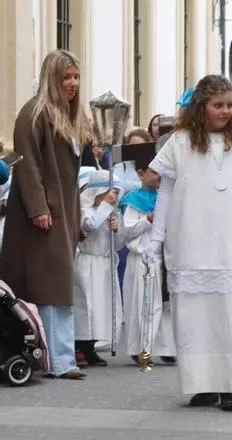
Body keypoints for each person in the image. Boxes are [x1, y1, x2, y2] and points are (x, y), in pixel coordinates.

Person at [143, 74, 232, 411]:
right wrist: (157, 239)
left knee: (229, 314)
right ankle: (203, 384)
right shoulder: (180, 142)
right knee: (194, 315)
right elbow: (166, 190)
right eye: (218, 105)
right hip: (190, 239)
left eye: (230, 104)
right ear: (202, 106)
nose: (226, 111)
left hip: (231, 240)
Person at [0, 50, 88, 380]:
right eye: (66, 77)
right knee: (51, 286)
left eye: (76, 77)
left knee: (56, 285)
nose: (73, 84)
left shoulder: (68, 116)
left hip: (62, 213)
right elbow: (28, 166)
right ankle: (58, 359)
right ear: (51, 78)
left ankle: (59, 358)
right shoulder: (34, 114)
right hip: (43, 216)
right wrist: (38, 208)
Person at [119, 164, 176, 366]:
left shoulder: (166, 196)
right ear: (141, 174)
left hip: (164, 259)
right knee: (145, 305)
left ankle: (167, 347)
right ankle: (141, 348)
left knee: (166, 306)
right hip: (143, 257)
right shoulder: (133, 201)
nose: (158, 176)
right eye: (154, 172)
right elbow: (127, 232)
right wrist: (149, 219)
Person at [74, 170, 124, 367]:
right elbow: (90, 225)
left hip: (104, 264)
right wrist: (105, 207)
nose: (113, 198)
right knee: (86, 306)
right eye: (109, 193)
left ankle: (91, 347)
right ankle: (79, 345)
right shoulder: (87, 211)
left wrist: (116, 229)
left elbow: (118, 244)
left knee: (102, 308)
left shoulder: (111, 213)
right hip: (88, 264)